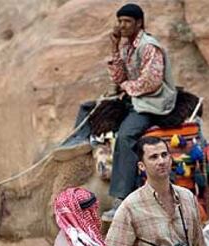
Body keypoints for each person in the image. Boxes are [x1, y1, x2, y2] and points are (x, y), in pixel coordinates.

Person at [55, 3, 177, 222]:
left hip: (152, 103)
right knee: (88, 108)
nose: (122, 25)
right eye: (120, 21)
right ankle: (77, 143)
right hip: (134, 99)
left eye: (127, 21)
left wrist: (126, 90)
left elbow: (152, 81)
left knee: (126, 135)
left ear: (139, 23)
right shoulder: (127, 47)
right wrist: (114, 47)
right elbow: (119, 77)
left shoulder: (149, 46)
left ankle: (121, 198)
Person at [105, 136, 208, 246]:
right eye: (153, 157)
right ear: (141, 166)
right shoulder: (130, 205)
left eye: (164, 155)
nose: (161, 161)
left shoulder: (187, 197)